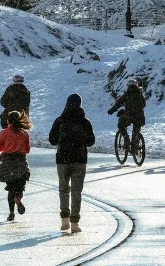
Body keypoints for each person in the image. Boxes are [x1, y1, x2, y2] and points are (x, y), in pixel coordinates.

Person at [48, 93, 95, 233]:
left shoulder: (60, 121)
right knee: (76, 191)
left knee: (63, 190)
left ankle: (64, 219)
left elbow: (52, 140)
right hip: (79, 159)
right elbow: (91, 141)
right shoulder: (84, 122)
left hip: (62, 159)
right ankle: (75, 222)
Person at [0, 110, 32, 221]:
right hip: (21, 163)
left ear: (8, 120)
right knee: (20, 188)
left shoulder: (4, 132)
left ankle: (11, 213)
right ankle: (18, 198)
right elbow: (27, 149)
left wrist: (5, 147)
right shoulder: (24, 133)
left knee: (11, 188)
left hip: (8, 163)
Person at [107, 79, 146, 152]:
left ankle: (126, 138)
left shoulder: (127, 95)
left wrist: (112, 110)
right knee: (136, 131)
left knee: (121, 124)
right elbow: (144, 105)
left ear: (128, 86)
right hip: (140, 117)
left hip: (129, 116)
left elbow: (118, 103)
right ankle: (135, 143)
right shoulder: (140, 94)